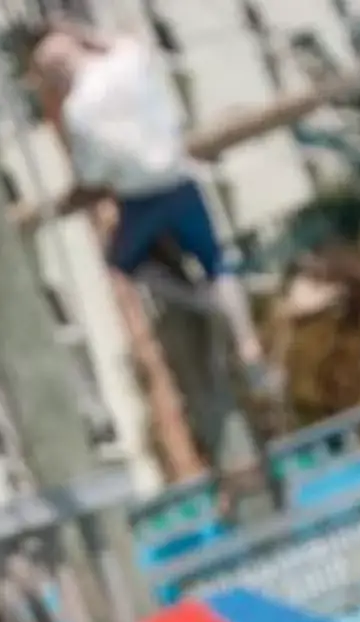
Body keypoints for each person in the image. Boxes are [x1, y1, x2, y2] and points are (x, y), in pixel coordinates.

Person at [27, 22, 276, 411]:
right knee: (216, 261)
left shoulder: (78, 110)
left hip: (140, 199)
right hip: (179, 181)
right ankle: (246, 341)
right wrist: (87, 34)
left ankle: (198, 301)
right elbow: (135, 42)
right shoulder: (126, 63)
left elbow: (93, 173)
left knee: (123, 262)